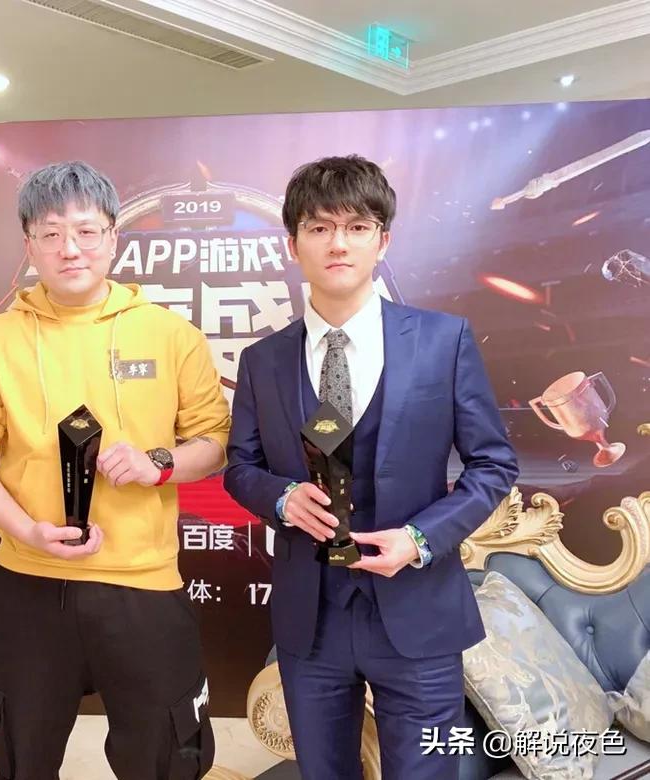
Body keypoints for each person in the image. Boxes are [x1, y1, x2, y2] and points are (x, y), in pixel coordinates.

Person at [224, 155, 518, 779]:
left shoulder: (444, 341)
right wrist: (281, 498)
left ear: (382, 241)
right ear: (293, 244)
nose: (338, 243)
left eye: (357, 227)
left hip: (418, 610)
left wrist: (420, 539)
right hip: (312, 618)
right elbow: (241, 467)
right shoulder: (261, 361)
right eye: (319, 227)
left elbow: (493, 463)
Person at [0, 160, 231, 779]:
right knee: (19, 759)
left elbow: (214, 440)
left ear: (113, 237)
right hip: (27, 582)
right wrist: (26, 530)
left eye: (86, 231)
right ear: (29, 246)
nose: (69, 249)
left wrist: (158, 463)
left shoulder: (170, 334)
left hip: (142, 586)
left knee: (164, 760)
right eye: (50, 234)